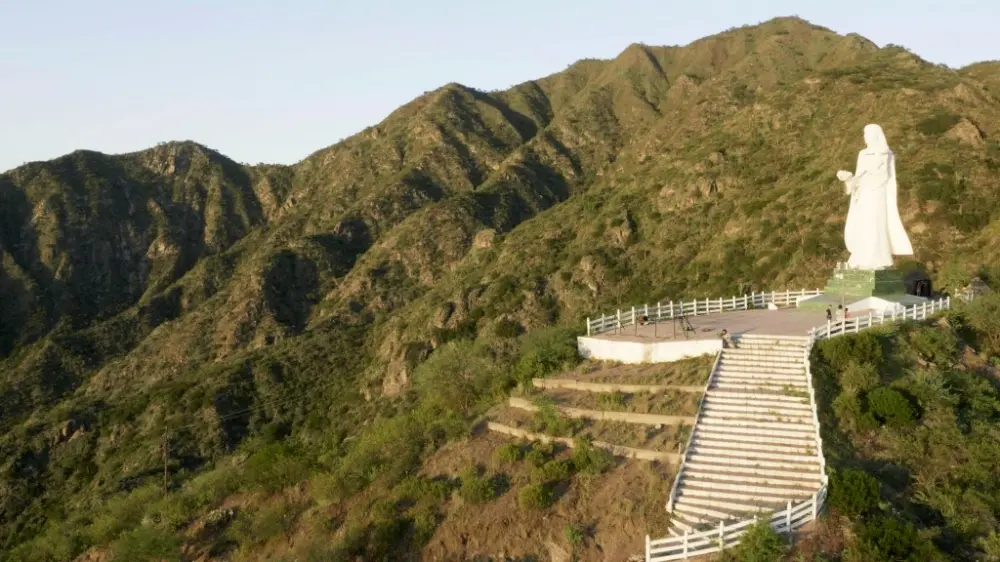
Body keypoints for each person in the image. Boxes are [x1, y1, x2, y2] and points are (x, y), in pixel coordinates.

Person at [835, 124, 914, 270]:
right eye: (864, 133)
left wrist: (873, 167)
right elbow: (858, 179)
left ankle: (877, 260)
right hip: (863, 195)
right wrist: (848, 179)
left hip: (877, 194)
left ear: (876, 134)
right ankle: (861, 257)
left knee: (875, 225)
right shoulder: (862, 154)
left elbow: (885, 176)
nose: (865, 136)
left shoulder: (886, 154)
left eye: (867, 133)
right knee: (862, 225)